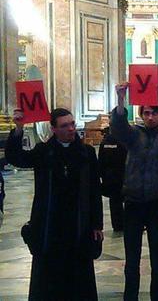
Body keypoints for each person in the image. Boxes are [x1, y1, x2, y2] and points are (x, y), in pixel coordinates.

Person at [6, 108, 103, 300]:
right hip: (50, 226)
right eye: (65, 125)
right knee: (49, 282)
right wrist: (19, 128)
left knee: (79, 281)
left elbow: (94, 191)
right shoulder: (44, 152)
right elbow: (16, 158)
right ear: (54, 129)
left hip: (78, 224)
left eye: (72, 124)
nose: (71, 129)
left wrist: (97, 224)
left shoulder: (86, 153)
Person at [112, 82, 158, 301]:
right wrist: (121, 99)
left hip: (155, 202)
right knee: (131, 257)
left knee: (156, 256)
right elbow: (118, 128)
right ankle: (130, 297)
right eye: (146, 113)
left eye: (154, 113)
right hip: (133, 202)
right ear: (141, 115)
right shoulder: (134, 135)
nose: (150, 117)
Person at [98, 125, 127, 232]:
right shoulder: (122, 142)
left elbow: (100, 161)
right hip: (121, 176)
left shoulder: (105, 142)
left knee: (114, 202)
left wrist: (103, 176)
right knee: (126, 201)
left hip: (109, 177)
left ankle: (117, 225)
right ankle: (125, 223)